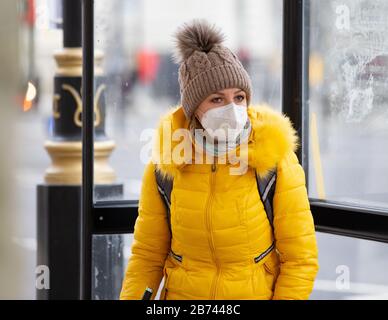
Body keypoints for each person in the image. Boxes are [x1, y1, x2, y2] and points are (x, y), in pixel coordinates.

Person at [120, 19, 319, 300]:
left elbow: (300, 258)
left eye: (239, 97)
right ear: (194, 109)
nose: (233, 108)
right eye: (216, 99)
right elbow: (147, 256)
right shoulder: (167, 164)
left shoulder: (273, 158)